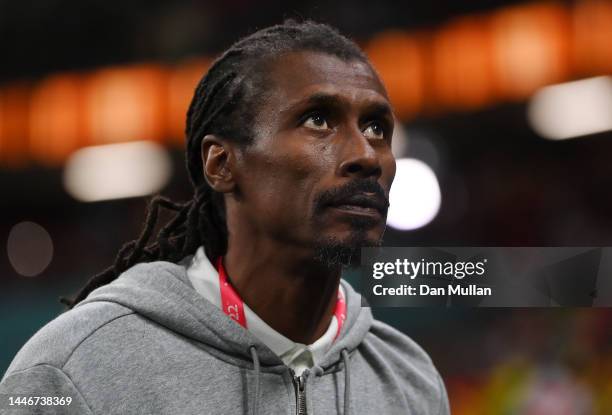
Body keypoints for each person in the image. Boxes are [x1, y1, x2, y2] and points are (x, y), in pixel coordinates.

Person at [1, 20, 450, 414]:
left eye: (377, 128)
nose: (366, 155)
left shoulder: (408, 379)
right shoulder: (74, 370)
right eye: (318, 120)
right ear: (221, 164)